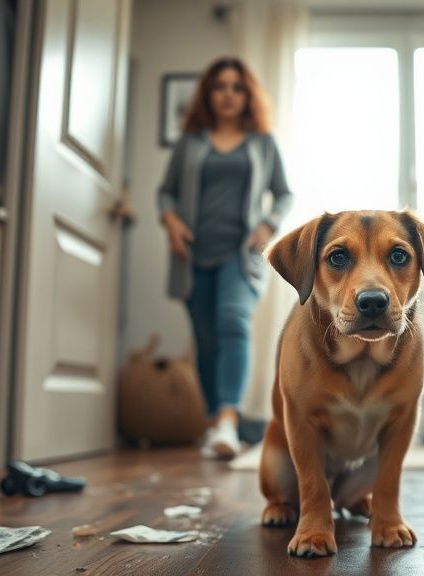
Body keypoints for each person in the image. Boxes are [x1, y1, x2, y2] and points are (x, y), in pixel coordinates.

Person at [158, 56, 293, 459]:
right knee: (206, 339)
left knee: (233, 322)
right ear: (208, 94)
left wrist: (268, 224)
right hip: (194, 254)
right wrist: (170, 221)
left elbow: (285, 193)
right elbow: (165, 191)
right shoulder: (190, 143)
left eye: (237, 87)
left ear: (247, 94)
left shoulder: (262, 143)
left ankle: (229, 422)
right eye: (220, 87)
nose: (228, 95)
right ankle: (214, 420)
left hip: (241, 254)